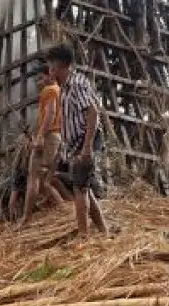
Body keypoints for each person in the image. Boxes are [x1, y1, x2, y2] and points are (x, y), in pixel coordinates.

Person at [46, 44, 108, 238]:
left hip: (85, 140)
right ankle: (104, 231)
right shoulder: (63, 88)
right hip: (76, 144)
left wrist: (87, 147)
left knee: (79, 188)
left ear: (63, 66)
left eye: (52, 67)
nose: (50, 71)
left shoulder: (77, 84)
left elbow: (92, 112)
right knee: (84, 188)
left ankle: (83, 236)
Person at [20, 65, 68, 225]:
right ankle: (64, 208)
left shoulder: (49, 91)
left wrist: (40, 137)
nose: (39, 82)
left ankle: (26, 218)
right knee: (46, 179)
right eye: (37, 79)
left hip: (48, 136)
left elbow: (51, 113)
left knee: (33, 178)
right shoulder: (60, 90)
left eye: (41, 77)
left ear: (50, 75)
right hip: (57, 136)